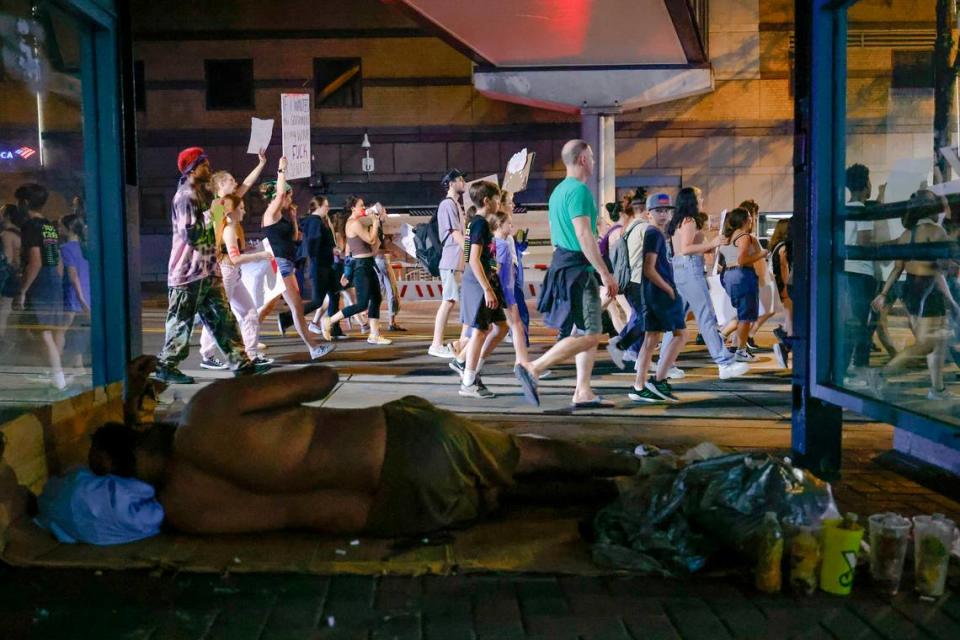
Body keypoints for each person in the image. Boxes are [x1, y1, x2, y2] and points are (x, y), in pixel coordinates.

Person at [87, 366, 640, 537]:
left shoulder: (186, 511)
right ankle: (635, 465)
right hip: (398, 443)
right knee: (525, 456)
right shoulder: (207, 413)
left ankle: (601, 497)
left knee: (501, 500)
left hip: (387, 513)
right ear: (141, 436)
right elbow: (320, 377)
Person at [515, 139, 619, 408]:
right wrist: (605, 273)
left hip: (563, 263)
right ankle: (533, 368)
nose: (594, 161)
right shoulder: (580, 191)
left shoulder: (558, 192)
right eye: (593, 156)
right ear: (583, 158)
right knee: (592, 333)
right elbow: (584, 234)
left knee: (585, 329)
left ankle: (583, 391)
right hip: (578, 268)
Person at [154, 148, 266, 383]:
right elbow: (191, 235)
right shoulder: (186, 196)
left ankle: (241, 363)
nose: (210, 168)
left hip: (208, 270)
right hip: (187, 272)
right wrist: (216, 217)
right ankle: (166, 365)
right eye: (205, 164)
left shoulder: (204, 195)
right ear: (193, 169)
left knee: (224, 320)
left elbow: (235, 195)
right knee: (180, 322)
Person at [869, 190, 960, 400]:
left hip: (913, 290)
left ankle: (937, 390)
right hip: (929, 291)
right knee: (927, 343)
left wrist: (883, 293)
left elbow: (898, 267)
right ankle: (882, 375)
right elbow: (943, 265)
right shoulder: (935, 231)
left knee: (936, 343)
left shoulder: (906, 235)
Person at [660, 188, 750, 380]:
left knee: (677, 321)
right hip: (690, 270)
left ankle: (665, 364)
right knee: (706, 316)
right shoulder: (689, 221)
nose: (702, 199)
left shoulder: (680, 221)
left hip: (680, 271)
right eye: (699, 196)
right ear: (691, 200)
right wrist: (713, 243)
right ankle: (723, 362)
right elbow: (686, 249)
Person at [260, 158, 335, 361]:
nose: (288, 200)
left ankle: (247, 339)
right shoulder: (270, 214)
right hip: (281, 266)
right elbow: (281, 192)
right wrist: (282, 169)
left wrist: (293, 217)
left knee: (266, 308)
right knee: (297, 308)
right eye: (287, 197)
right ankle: (313, 347)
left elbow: (295, 238)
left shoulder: (280, 216)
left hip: (287, 264)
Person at [196, 194, 275, 368]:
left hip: (233, 274)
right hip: (228, 274)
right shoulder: (229, 229)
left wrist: (249, 248)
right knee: (219, 315)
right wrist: (259, 255)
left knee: (249, 313)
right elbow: (235, 259)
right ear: (231, 211)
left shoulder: (232, 227)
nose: (244, 211)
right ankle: (207, 354)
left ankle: (250, 354)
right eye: (241, 208)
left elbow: (233, 254)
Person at [628, 199, 687, 403]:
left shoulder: (656, 234)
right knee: (680, 334)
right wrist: (669, 289)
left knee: (651, 340)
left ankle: (639, 385)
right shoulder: (654, 234)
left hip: (651, 292)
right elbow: (649, 268)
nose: (663, 214)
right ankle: (658, 380)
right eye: (658, 210)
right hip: (659, 293)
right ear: (649, 213)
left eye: (666, 210)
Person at [456, 181, 509, 398]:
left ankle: (469, 367)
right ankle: (468, 381)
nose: (500, 203)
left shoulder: (476, 223)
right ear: (487, 201)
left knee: (501, 327)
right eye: (497, 199)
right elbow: (474, 259)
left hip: (481, 281)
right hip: (479, 284)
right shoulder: (479, 224)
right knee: (479, 331)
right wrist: (487, 288)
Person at [16, 183, 68, 390]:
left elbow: (35, 261)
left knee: (43, 331)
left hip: (40, 281)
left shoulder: (30, 226)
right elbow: (56, 258)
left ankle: (58, 377)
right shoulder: (48, 225)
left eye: (19, 201)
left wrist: (22, 290)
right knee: (49, 330)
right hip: (53, 277)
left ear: (25, 203)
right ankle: (54, 371)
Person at [321, 196, 391, 345]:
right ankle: (329, 320)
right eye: (361, 206)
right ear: (353, 208)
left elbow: (349, 249)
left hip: (367, 264)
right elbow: (371, 240)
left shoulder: (358, 223)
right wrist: (375, 222)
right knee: (362, 304)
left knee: (376, 298)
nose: (364, 208)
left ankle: (374, 334)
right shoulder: (354, 223)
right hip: (361, 267)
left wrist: (347, 271)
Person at [277, 196, 339, 338]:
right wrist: (325, 252)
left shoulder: (317, 222)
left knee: (335, 294)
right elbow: (312, 244)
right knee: (318, 301)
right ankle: (286, 318)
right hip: (320, 266)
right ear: (319, 207)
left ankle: (335, 328)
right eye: (326, 206)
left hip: (324, 265)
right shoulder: (315, 222)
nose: (328, 208)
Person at [840, 164, 878, 386]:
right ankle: (857, 368)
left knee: (849, 322)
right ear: (866, 185)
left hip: (845, 273)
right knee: (861, 323)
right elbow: (865, 243)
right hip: (861, 274)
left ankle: (847, 367)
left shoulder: (843, 209)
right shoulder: (862, 211)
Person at [717, 208, 767, 363]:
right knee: (746, 316)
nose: (752, 220)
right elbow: (742, 260)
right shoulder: (745, 237)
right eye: (750, 218)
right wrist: (762, 253)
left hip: (728, 276)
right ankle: (741, 350)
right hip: (742, 275)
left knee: (741, 313)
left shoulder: (727, 236)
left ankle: (731, 342)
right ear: (746, 220)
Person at [429, 169, 469, 358]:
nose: (463, 182)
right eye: (460, 179)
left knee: (451, 301)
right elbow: (455, 233)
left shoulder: (455, 204)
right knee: (448, 301)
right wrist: (471, 254)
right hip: (451, 260)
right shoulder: (447, 204)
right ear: (452, 183)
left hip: (456, 260)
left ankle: (457, 343)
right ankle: (436, 344)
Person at [58, 214, 91, 371]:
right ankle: (78, 363)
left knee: (62, 331)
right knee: (79, 330)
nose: (58, 229)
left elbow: (73, 276)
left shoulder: (65, 249)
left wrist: (80, 298)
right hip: (87, 292)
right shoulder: (86, 248)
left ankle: (56, 366)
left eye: (60, 226)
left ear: (69, 228)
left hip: (74, 294)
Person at [370, 203, 404, 332]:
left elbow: (380, 246)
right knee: (392, 291)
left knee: (380, 292)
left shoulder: (377, 227)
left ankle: (374, 320)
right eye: (384, 211)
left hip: (378, 262)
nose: (386, 214)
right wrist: (388, 252)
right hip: (381, 262)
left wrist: (389, 247)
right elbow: (376, 249)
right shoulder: (376, 227)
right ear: (378, 214)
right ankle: (391, 322)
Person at [768, 219, 793, 369]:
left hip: (783, 286)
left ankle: (784, 337)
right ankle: (785, 344)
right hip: (786, 287)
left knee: (791, 319)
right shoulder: (783, 247)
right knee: (791, 319)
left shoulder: (777, 246)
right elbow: (784, 269)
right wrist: (786, 288)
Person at [0, 204, 23, 346]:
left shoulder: (6, 235)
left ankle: (1, 338)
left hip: (8, 276)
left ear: (7, 216)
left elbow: (7, 259)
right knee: (7, 309)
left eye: (1, 212)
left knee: (3, 309)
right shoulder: (19, 232)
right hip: (17, 274)